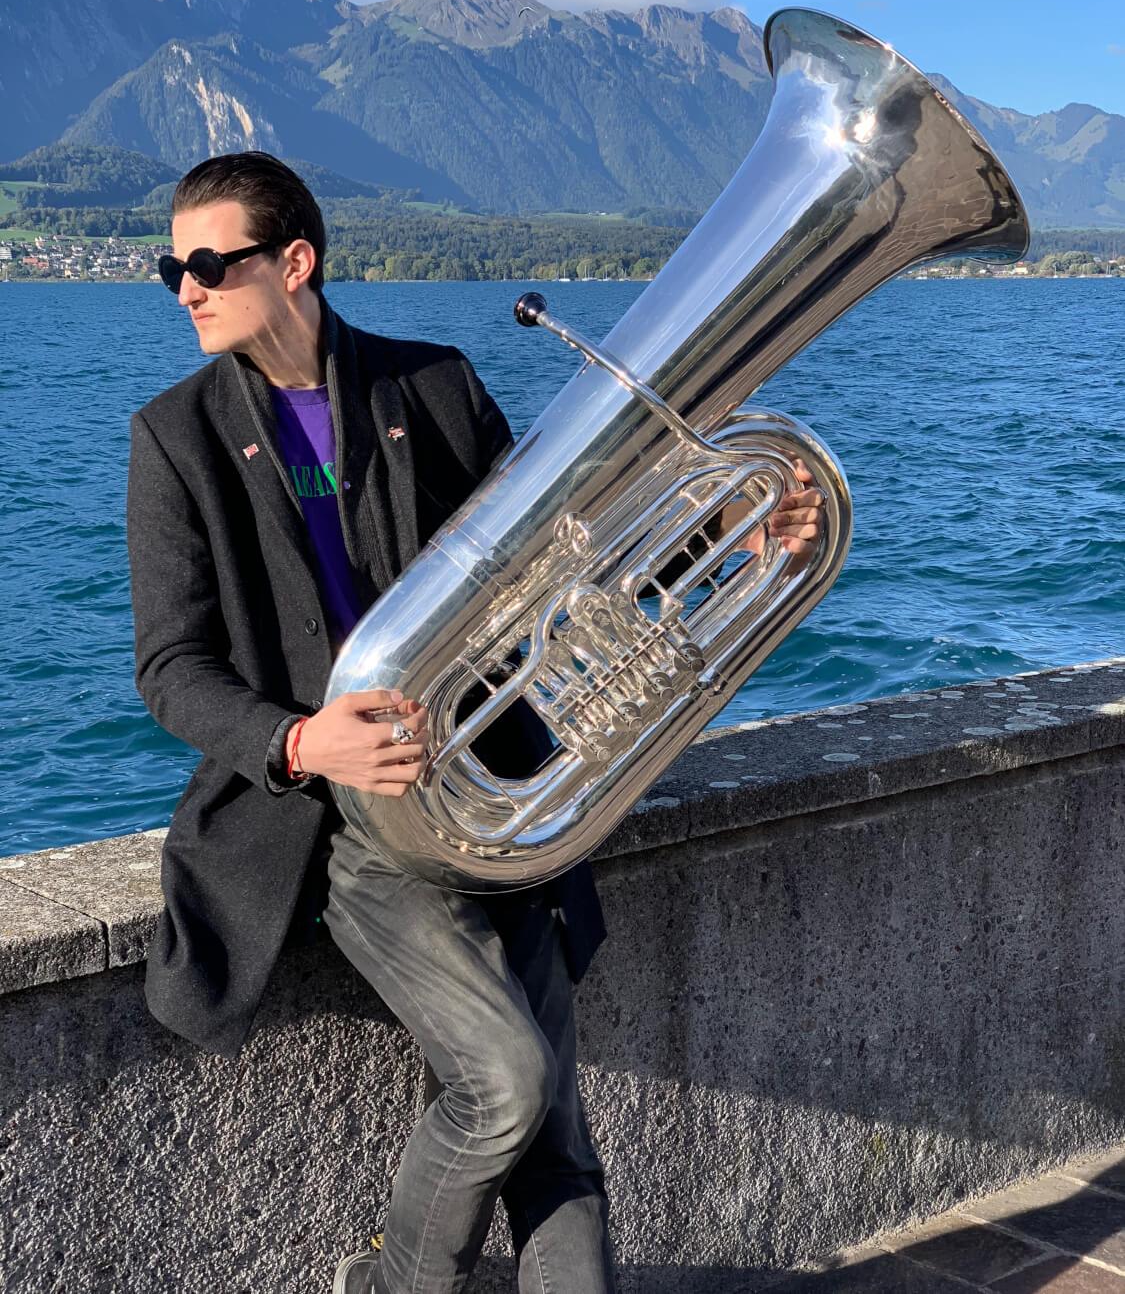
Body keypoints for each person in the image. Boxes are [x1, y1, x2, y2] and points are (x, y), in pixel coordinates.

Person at [126, 151, 826, 1294]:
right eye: (174, 267)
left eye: (209, 263)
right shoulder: (177, 437)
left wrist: (735, 536)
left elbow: (567, 565)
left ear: (294, 262)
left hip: (490, 794)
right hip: (340, 827)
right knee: (506, 1081)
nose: (186, 288)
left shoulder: (432, 387)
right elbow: (170, 669)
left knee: (554, 1128)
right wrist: (304, 741)